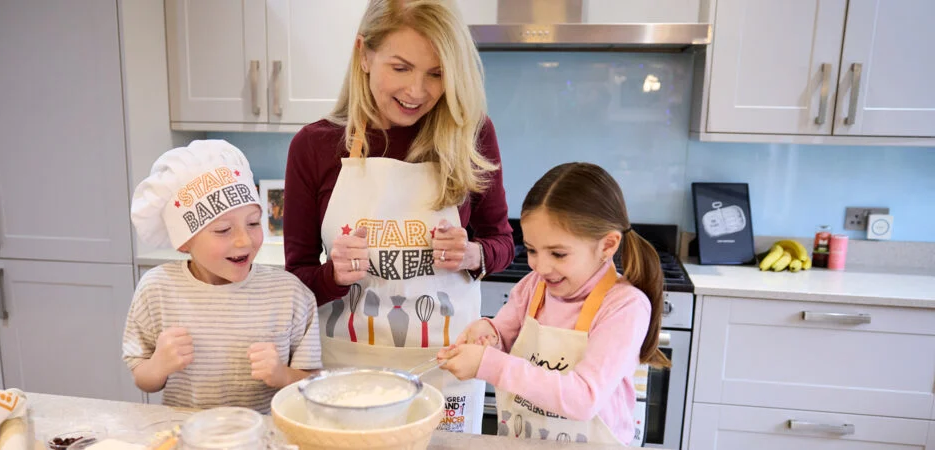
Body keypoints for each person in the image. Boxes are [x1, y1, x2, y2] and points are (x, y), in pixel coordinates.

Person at [282, 0, 513, 434]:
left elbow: (502, 242)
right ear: (364, 55)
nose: (417, 91)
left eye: (437, 73)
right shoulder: (314, 146)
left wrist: (472, 254)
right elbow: (295, 280)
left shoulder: (472, 133)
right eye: (401, 67)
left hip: (447, 370)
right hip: (345, 374)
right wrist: (332, 275)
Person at [438, 162, 671, 444]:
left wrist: (490, 365)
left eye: (558, 254)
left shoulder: (624, 307)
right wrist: (487, 334)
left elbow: (584, 398)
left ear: (608, 245)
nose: (541, 266)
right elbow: (502, 334)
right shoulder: (534, 286)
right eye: (533, 250)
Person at [124, 140, 321, 412]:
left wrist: (282, 375)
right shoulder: (157, 290)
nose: (244, 241)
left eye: (253, 223)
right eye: (223, 229)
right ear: (184, 242)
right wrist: (159, 364)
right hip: (187, 436)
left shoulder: (289, 295)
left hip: (263, 438)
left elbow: (314, 383)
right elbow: (143, 377)